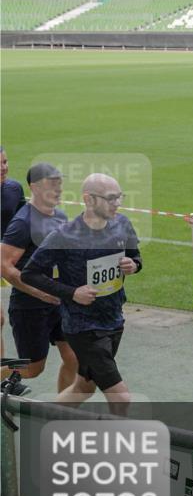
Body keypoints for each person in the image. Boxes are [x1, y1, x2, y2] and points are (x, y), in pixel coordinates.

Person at [21, 173, 141, 412]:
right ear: (88, 199)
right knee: (121, 398)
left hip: (114, 320)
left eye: (119, 197)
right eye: (110, 198)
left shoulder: (122, 224)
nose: (117, 203)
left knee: (83, 388)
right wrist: (71, 292)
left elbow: (135, 256)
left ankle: (39, 420)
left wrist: (134, 265)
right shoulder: (65, 236)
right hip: (84, 328)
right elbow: (30, 273)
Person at [1, 163, 77, 393]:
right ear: (34, 187)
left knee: (74, 357)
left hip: (58, 302)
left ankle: (63, 412)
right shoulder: (23, 223)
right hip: (30, 306)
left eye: (59, 184)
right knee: (33, 369)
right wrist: (38, 292)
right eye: (52, 184)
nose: (58, 189)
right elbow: (4, 265)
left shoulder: (61, 217)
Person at [1, 146, 28, 393]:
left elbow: (24, 218)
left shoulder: (13, 188)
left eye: (5, 161)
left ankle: (1, 381)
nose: (4, 167)